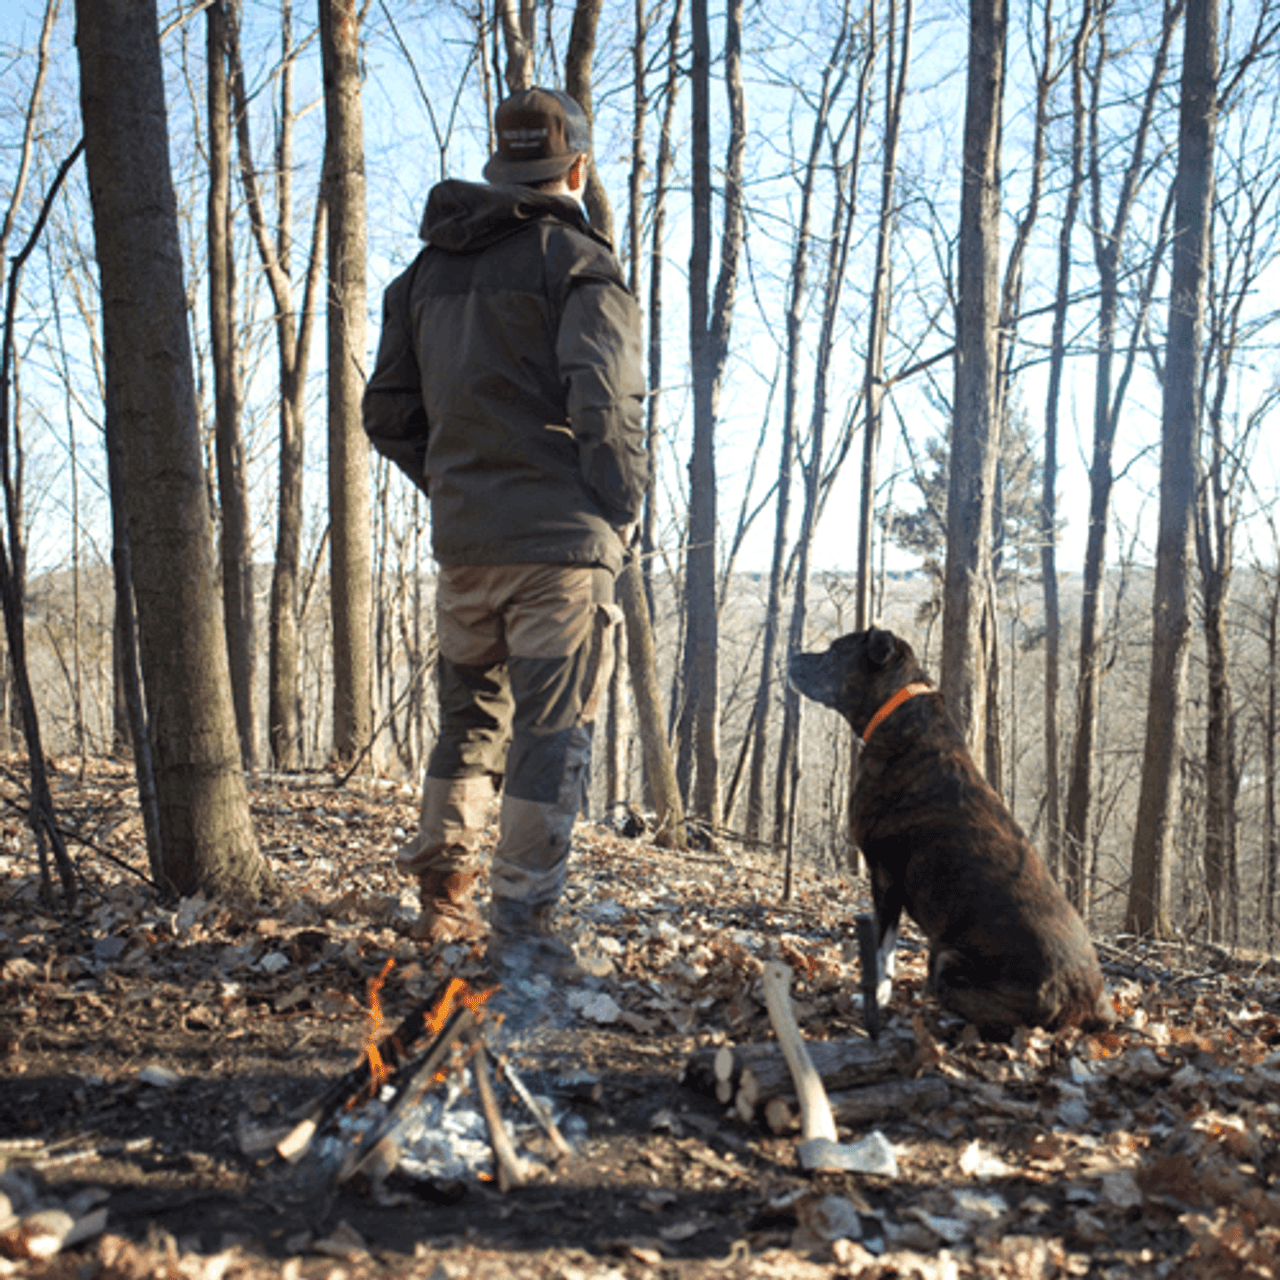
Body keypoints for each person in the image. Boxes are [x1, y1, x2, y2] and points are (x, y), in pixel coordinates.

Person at [363, 87, 648, 979]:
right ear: (577, 169)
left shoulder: (423, 274)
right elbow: (604, 403)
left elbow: (387, 413)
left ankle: (443, 904)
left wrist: (455, 485)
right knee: (550, 732)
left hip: (466, 544)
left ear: (501, 166)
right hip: (560, 546)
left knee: (468, 721)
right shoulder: (579, 264)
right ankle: (523, 924)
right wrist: (618, 503)